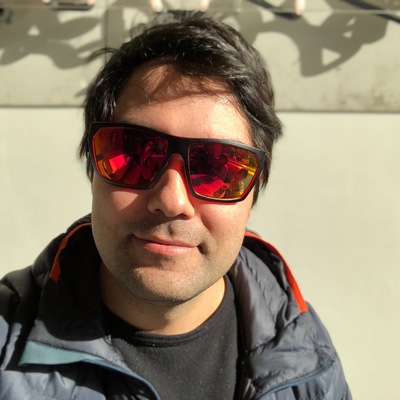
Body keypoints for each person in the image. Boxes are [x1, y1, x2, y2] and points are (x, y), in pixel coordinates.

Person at [0, 11, 352, 400]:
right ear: (93, 168)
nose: (172, 201)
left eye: (218, 167)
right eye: (132, 154)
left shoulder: (306, 357)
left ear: (253, 191)